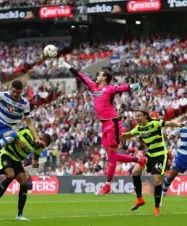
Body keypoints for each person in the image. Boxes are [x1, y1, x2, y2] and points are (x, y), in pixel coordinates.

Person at [59, 60, 146, 195]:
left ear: (104, 77)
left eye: (99, 75)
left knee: (111, 158)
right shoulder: (94, 87)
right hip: (104, 125)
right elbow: (81, 77)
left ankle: (107, 185)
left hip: (113, 124)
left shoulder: (110, 89)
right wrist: (67, 65)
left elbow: (123, 87)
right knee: (112, 156)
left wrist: (136, 85)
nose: (96, 77)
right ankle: (139, 160)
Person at [122, 108, 183, 216]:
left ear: (145, 116)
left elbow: (168, 123)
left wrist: (178, 124)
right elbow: (129, 135)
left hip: (160, 155)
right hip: (150, 155)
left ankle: (156, 208)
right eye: (136, 116)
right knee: (135, 172)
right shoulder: (139, 128)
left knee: (157, 180)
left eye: (139, 115)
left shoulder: (154, 123)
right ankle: (140, 199)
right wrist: (118, 135)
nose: (137, 118)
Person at [0, 128, 51, 220]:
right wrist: (16, 139)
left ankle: (20, 214)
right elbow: (8, 135)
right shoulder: (27, 133)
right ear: (40, 138)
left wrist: (35, 162)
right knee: (11, 175)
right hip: (7, 154)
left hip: (17, 160)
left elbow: (36, 156)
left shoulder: (39, 147)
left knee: (24, 182)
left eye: (44, 146)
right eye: (42, 144)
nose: (42, 147)